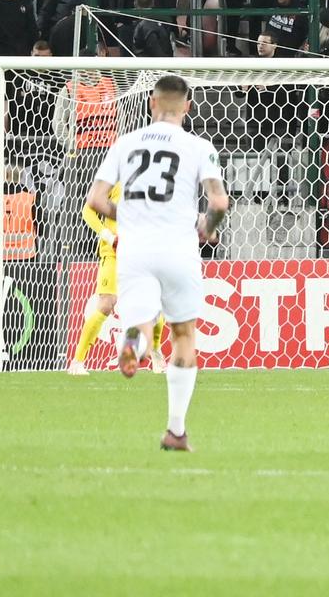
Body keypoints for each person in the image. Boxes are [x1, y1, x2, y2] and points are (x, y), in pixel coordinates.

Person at [83, 72, 228, 451]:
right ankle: (176, 430)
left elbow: (96, 200)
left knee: (142, 326)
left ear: (151, 103)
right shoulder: (199, 147)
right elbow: (218, 202)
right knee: (183, 334)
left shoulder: (124, 144)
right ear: (187, 107)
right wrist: (206, 229)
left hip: (135, 250)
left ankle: (134, 345)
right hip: (178, 247)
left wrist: (128, 215)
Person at [67, 194, 123, 374]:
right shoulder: (115, 179)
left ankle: (156, 355)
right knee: (106, 304)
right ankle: (78, 361)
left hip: (141, 256)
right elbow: (87, 210)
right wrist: (109, 236)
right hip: (114, 254)